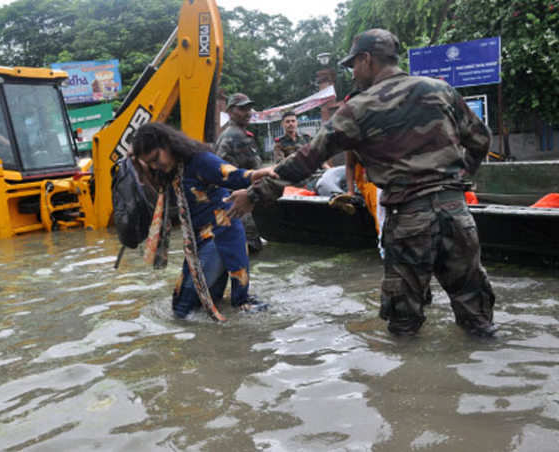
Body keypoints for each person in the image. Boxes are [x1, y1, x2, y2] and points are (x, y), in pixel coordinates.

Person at [227, 29, 497, 337]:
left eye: (353, 65)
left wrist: (254, 194)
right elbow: (480, 139)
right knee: (478, 319)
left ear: (367, 59)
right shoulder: (441, 90)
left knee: (404, 328)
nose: (353, 74)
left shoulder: (358, 108)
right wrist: (460, 180)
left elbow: (307, 158)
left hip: (410, 221)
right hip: (457, 215)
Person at [132, 122, 274, 319]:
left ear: (167, 143)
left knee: (183, 309)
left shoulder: (198, 160)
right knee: (203, 305)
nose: (157, 166)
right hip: (199, 240)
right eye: (151, 163)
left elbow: (232, 175)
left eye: (156, 158)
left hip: (220, 237)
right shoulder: (172, 169)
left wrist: (260, 173)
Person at [214, 93, 264, 252]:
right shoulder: (234, 136)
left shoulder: (236, 134)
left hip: (237, 201)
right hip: (238, 203)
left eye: (249, 108)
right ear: (229, 111)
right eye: (242, 109)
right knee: (248, 249)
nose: (248, 112)